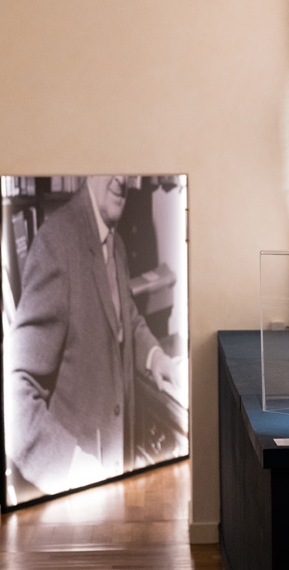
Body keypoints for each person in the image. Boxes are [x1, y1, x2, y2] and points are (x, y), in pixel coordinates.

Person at [4, 175, 180, 496]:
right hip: (76, 493)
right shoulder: (56, 243)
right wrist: (71, 469)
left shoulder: (116, 242)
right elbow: (13, 392)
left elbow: (126, 318)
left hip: (116, 473)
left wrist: (157, 357)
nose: (122, 178)